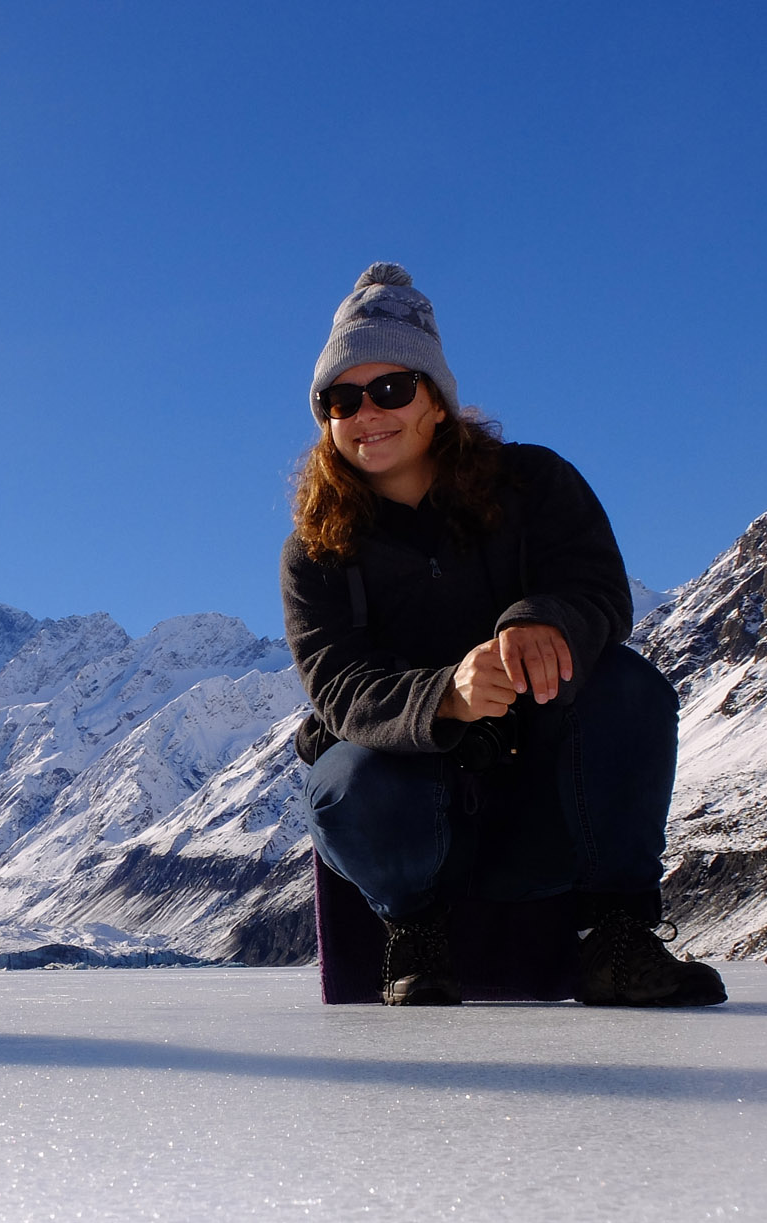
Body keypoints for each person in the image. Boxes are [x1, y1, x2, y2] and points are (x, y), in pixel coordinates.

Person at [281, 263, 725, 1008]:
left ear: (438, 403)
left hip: (544, 783)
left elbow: (596, 590)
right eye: (341, 399)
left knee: (626, 686)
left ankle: (615, 932)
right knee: (345, 776)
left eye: (392, 388)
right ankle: (414, 931)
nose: (368, 413)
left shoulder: (536, 485)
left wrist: (540, 622)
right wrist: (444, 699)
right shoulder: (317, 548)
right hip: (410, 809)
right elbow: (338, 688)